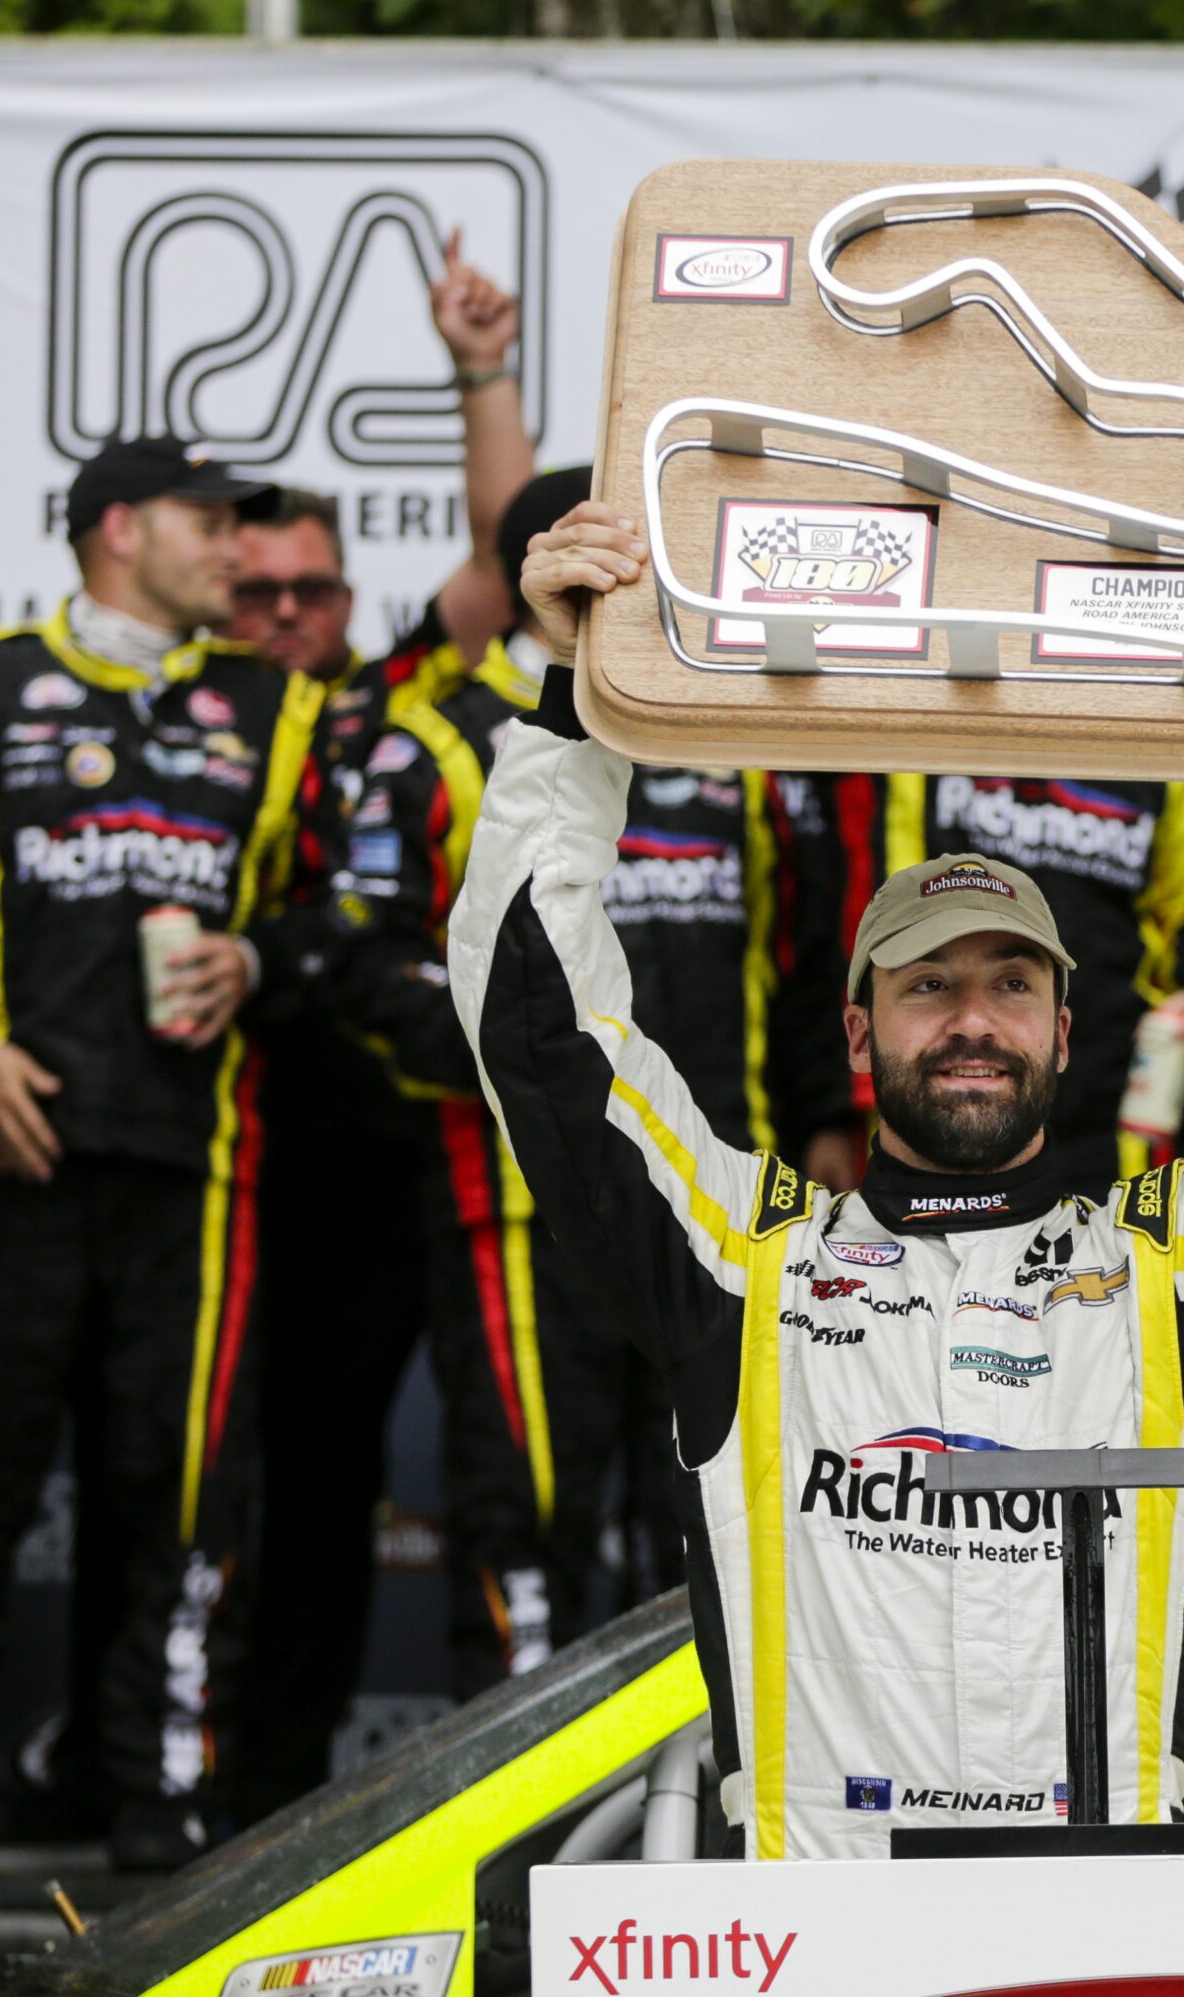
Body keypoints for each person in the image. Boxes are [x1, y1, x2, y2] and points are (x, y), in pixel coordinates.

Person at [452, 501, 1184, 1860]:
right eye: (927, 983)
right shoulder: (747, 1266)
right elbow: (538, 1026)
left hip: (1090, 1943)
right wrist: (566, 706)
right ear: (858, 1030)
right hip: (816, 1937)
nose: (969, 1018)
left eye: (1011, 984)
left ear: (1067, 1031)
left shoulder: (1172, 1274)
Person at [0, 438, 319, 1870]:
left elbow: (348, 914)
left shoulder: (282, 706)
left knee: (184, 1486)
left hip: (196, 1165)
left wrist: (256, 951)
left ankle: (163, 1793)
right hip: (4, 1157)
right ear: (119, 528)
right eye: (209, 522)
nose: (238, 552)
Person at [326, 467, 852, 1698]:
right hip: (519, 1202)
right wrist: (538, 1068)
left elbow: (802, 950)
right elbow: (356, 959)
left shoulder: (738, 729)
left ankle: (690, 1795)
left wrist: (827, 1120)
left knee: (702, 1505)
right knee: (529, 1501)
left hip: (722, 1198)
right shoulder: (438, 734)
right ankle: (519, 1822)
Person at [225, 233, 536, 1812]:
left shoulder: (384, 698)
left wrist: (481, 368)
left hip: (449, 1132)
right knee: (302, 1480)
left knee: (521, 1468)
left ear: (347, 595)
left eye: (312, 588)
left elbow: (514, 550)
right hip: (283, 1163)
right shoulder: (189, 725)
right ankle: (261, 1793)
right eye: (258, 591)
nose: (286, 612)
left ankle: (528, 1778)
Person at [831, 769, 1184, 1193]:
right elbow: (859, 927)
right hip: (920, 1111)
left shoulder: (1157, 730)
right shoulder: (915, 726)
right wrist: (829, 1113)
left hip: (1115, 1113)